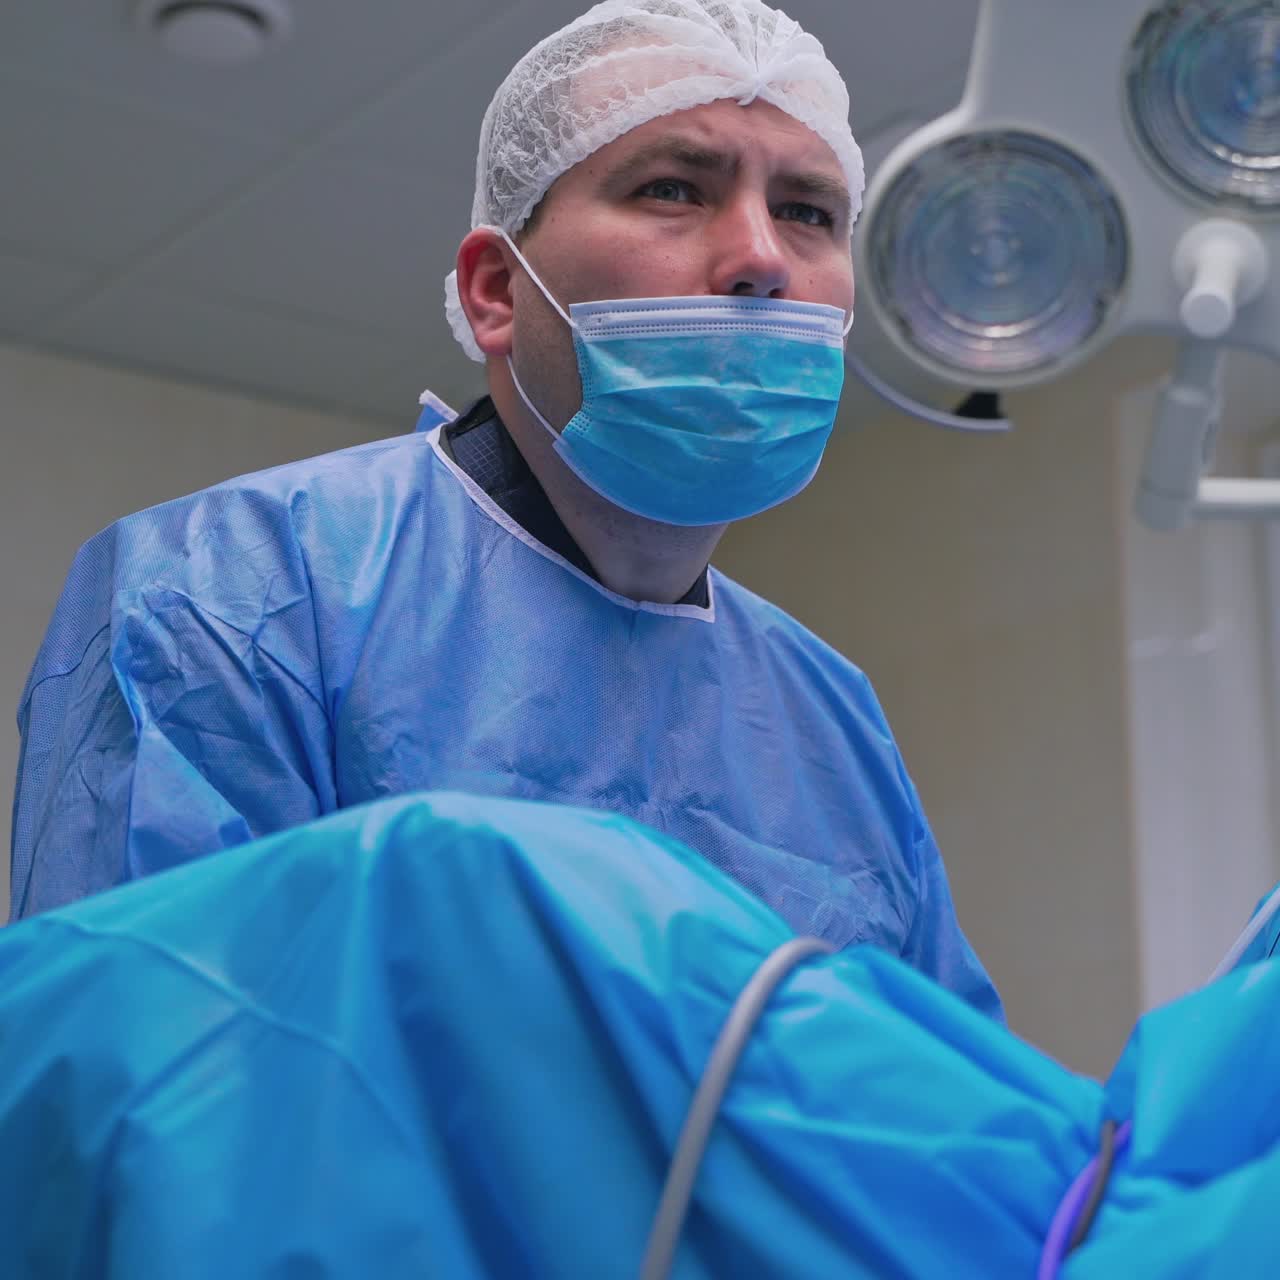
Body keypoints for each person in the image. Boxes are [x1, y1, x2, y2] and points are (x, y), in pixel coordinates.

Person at [9, 0, 1001, 1020]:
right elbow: (137, 1061)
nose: (761, 257)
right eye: (672, 188)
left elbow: (937, 1091)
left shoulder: (829, 717)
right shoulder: (236, 591)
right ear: (495, 290)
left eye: (808, 211)